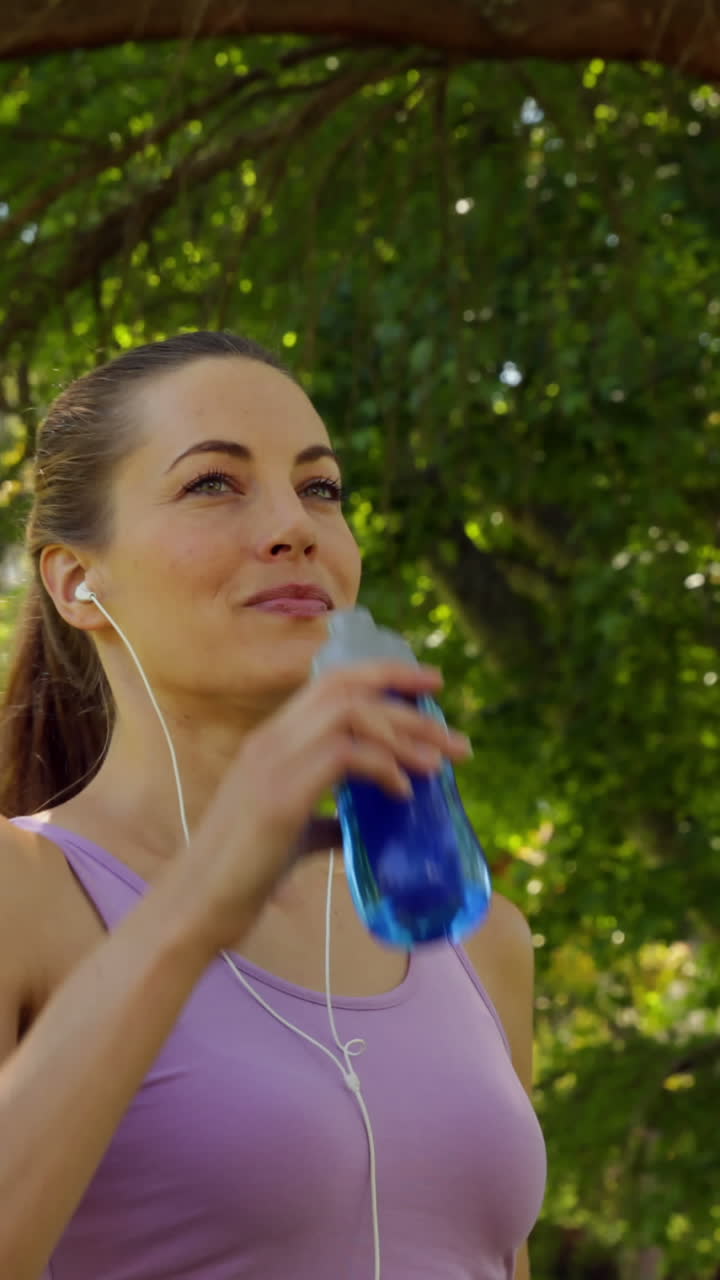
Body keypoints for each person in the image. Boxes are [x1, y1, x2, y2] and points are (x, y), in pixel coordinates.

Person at [0, 330, 546, 1280]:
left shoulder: (478, 938)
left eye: (321, 488)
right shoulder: (24, 892)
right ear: (78, 581)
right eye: (213, 483)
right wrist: (203, 897)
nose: (294, 525)